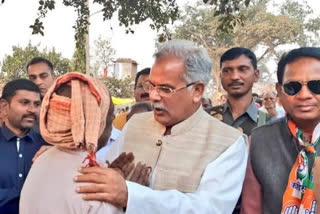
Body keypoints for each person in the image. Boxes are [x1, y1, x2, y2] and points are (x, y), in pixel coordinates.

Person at [74, 39, 248, 213]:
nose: (153, 96)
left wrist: (131, 195)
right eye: (151, 86)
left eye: (165, 89)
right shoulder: (135, 123)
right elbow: (103, 180)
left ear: (197, 91)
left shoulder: (228, 143)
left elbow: (208, 208)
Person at [20, 72, 122, 214]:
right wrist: (131, 196)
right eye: (110, 116)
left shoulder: (41, 159)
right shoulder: (96, 187)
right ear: (95, 124)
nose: (113, 121)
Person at [241, 47, 320, 214]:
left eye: (316, 86)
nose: (304, 95)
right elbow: (251, 208)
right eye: (293, 87)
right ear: (279, 90)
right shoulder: (260, 140)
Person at [0, 79, 46, 214]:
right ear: (4, 106)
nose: (32, 110)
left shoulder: (48, 147)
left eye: (37, 104)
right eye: (24, 103)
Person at [206, 47, 269, 136]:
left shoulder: (271, 124)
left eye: (242, 69)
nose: (234, 77)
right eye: (227, 71)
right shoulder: (204, 118)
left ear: (256, 75)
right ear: (221, 76)